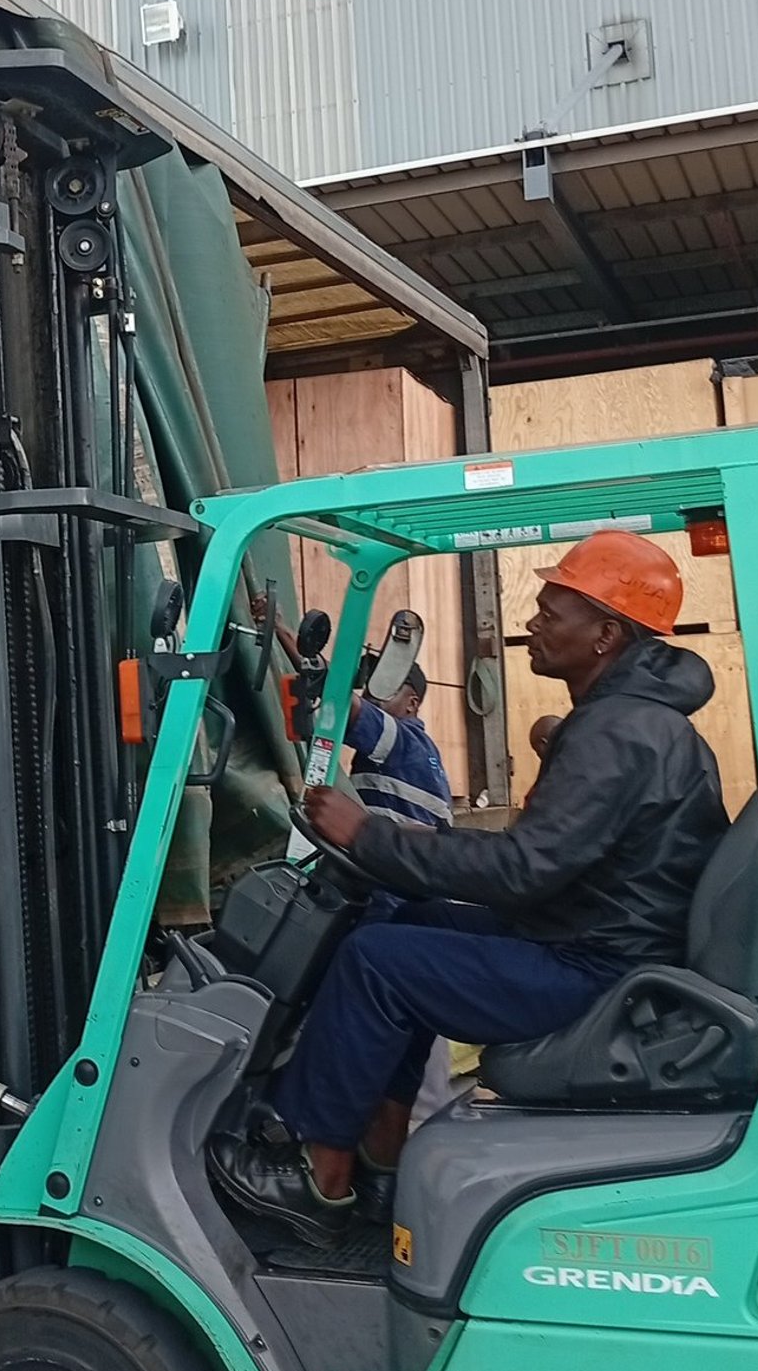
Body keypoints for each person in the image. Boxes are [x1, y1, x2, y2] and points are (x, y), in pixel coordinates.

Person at [212, 530, 728, 1249]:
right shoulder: (634, 724)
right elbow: (537, 860)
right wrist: (403, 849)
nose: (533, 623)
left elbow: (523, 870)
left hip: (597, 968)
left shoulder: (619, 732)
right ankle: (382, 1156)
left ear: (607, 634)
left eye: (554, 612)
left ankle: (318, 1176)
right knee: (410, 925)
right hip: (597, 939)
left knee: (377, 963)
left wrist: (369, 838)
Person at [252, 598, 453, 833]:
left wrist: (280, 629)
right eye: (371, 683)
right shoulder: (423, 751)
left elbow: (338, 697)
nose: (371, 693)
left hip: (388, 863)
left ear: (412, 704)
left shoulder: (402, 741)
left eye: (389, 687)